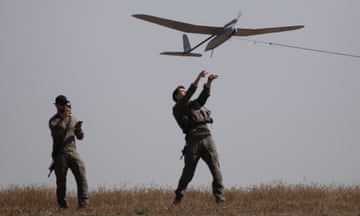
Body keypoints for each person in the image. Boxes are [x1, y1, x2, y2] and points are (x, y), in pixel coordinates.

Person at [172, 70, 225, 204]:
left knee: (216, 169)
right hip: (193, 139)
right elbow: (190, 92)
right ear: (177, 97)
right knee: (188, 172)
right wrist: (198, 78)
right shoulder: (178, 108)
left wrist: (209, 81)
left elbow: (204, 95)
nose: (184, 92)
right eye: (181, 92)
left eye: (184, 91)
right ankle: (178, 199)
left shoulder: (195, 104)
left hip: (207, 137)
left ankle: (220, 200)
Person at [48, 95, 89, 209]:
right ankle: (63, 205)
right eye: (62, 104)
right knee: (61, 182)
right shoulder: (53, 121)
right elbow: (58, 132)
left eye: (66, 104)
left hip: (73, 151)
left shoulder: (73, 119)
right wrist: (62, 118)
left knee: (82, 176)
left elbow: (80, 137)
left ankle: (84, 203)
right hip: (60, 154)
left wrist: (79, 129)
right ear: (57, 105)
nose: (65, 107)